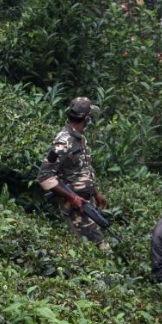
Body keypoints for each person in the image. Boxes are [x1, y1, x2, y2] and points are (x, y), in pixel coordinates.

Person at [37, 97, 110, 252]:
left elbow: (83, 168)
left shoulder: (80, 138)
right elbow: (44, 176)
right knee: (91, 249)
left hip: (87, 201)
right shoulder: (64, 142)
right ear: (86, 118)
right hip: (75, 205)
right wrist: (72, 197)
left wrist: (96, 193)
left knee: (97, 243)